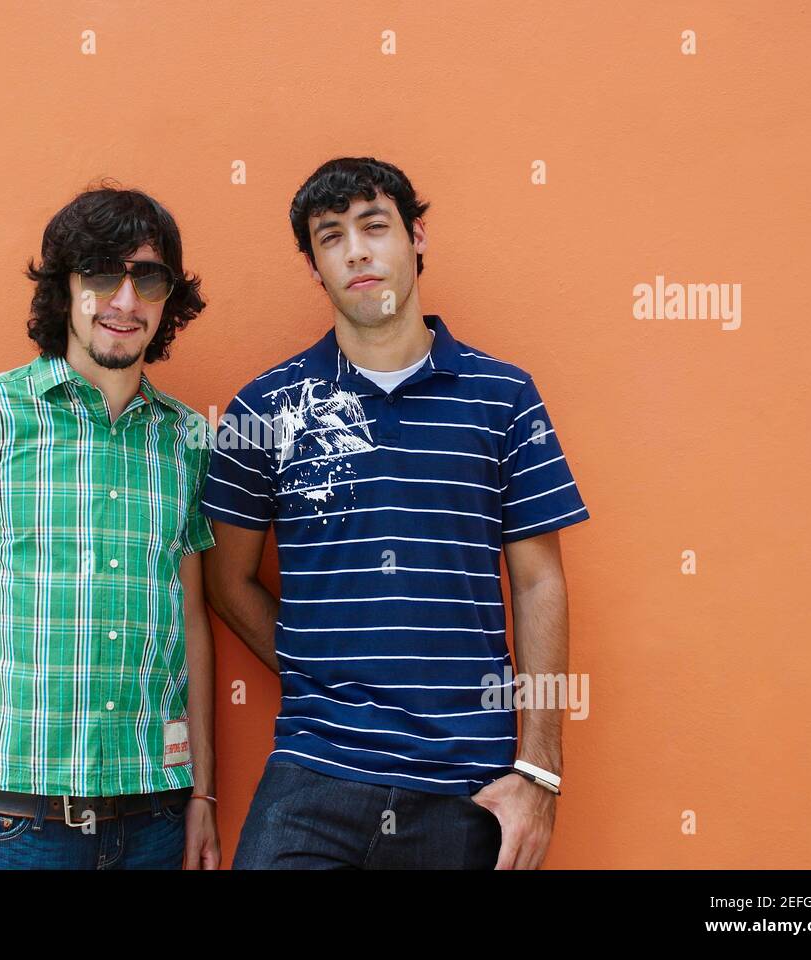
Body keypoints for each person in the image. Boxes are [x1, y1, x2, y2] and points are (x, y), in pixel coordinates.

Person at [201, 157, 589, 869]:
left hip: (466, 781)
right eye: (330, 237)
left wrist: (539, 773)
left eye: (374, 226)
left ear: (417, 238)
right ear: (315, 268)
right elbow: (227, 583)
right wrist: (315, 672)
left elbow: (540, 584)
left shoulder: (504, 398)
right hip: (316, 768)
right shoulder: (265, 410)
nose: (355, 250)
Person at [0, 182, 220, 869]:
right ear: (66, 290)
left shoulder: (186, 438)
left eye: (147, 278)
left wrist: (202, 796)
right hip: (21, 821)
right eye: (100, 275)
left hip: (154, 815)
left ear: (167, 300)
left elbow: (192, 619)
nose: (124, 301)